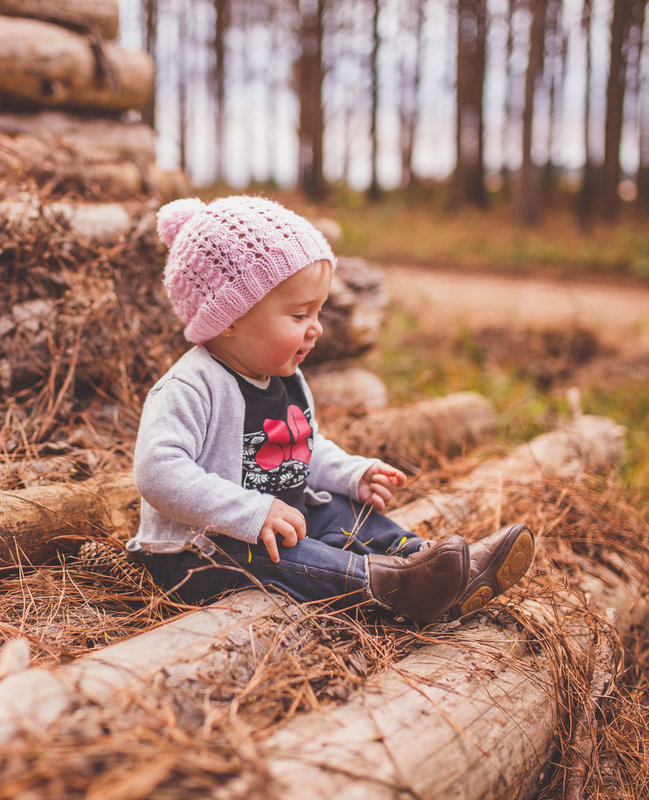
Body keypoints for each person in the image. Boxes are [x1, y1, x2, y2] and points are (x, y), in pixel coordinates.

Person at [126, 196, 534, 624]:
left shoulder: (285, 377)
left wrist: (350, 474)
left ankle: (429, 563)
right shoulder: (191, 386)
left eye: (318, 312)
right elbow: (157, 471)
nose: (316, 328)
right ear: (229, 317)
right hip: (201, 550)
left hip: (278, 517)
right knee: (279, 552)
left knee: (339, 510)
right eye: (300, 314)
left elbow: (305, 445)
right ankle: (396, 590)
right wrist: (249, 511)